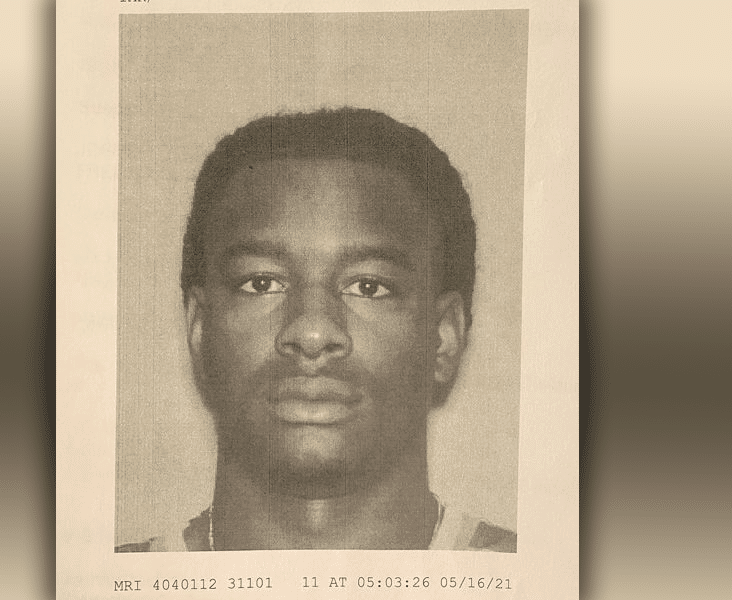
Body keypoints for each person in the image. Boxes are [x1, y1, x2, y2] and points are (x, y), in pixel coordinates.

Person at [117, 107, 515, 552]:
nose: (311, 333)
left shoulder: (538, 577)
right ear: (199, 330)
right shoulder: (100, 580)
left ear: (444, 338)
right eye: (261, 283)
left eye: (368, 286)